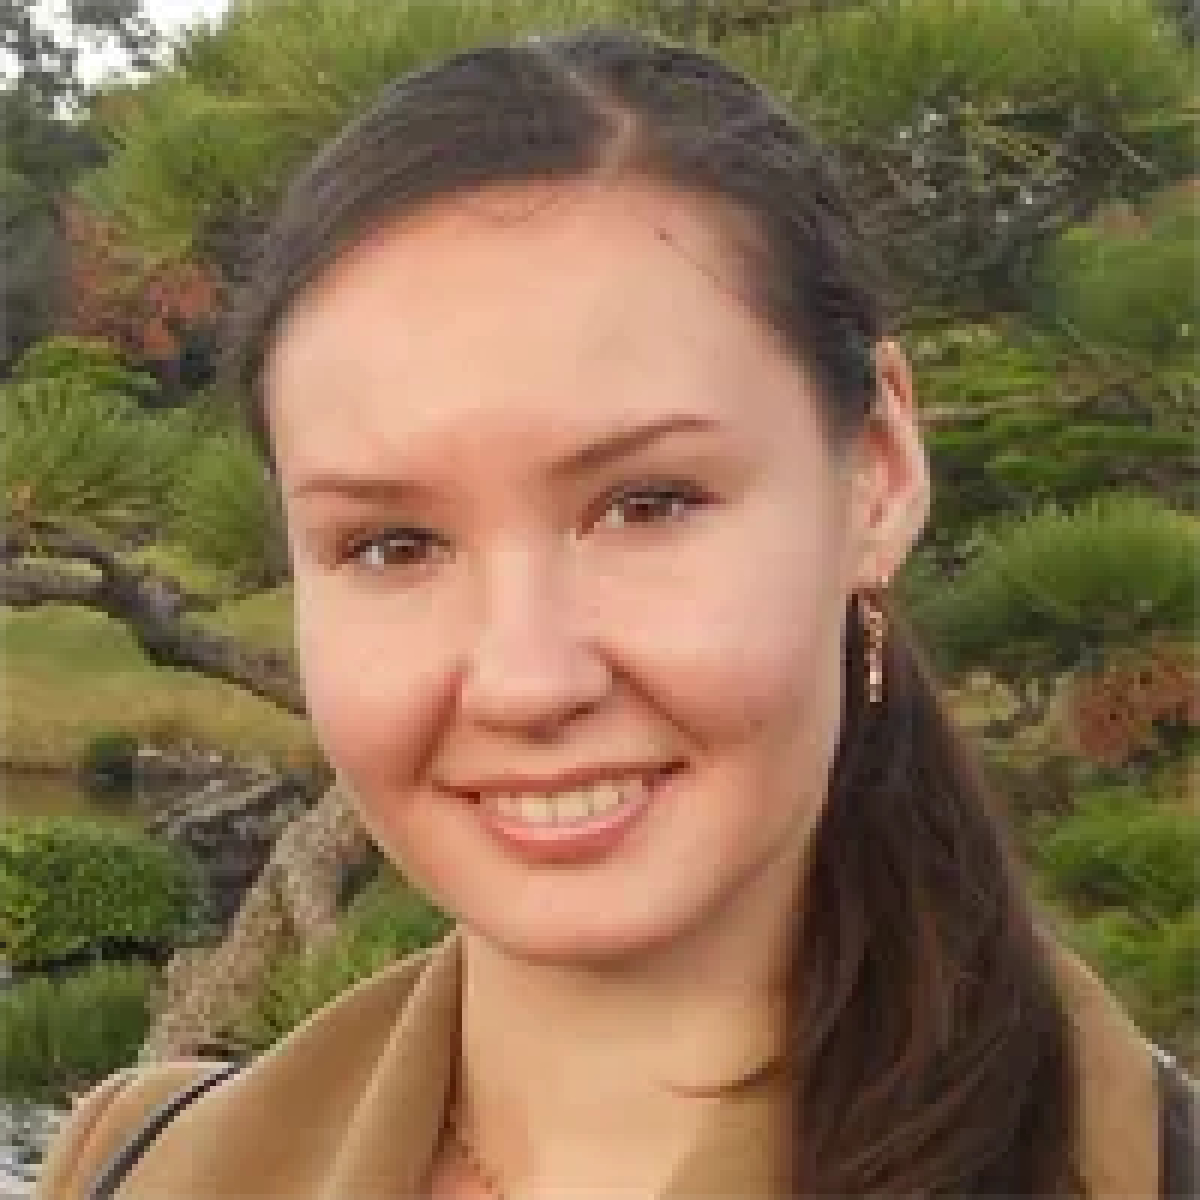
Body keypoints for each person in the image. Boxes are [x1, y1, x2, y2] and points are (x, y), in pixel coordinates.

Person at [37, 23, 1196, 1200]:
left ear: (878, 471)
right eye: (393, 545)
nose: (526, 680)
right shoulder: (142, 1168)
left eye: (648, 505)